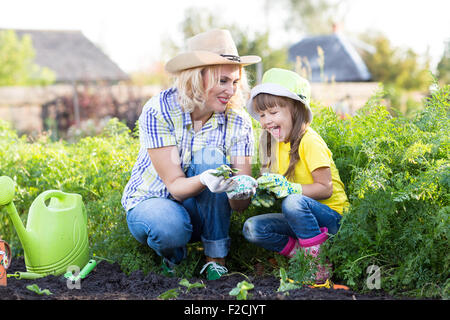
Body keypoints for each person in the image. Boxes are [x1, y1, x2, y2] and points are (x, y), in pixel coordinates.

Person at [121, 29, 260, 280]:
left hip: (201, 211)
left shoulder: (238, 121)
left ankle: (215, 260)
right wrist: (207, 179)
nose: (231, 91)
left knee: (212, 158)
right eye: (223, 81)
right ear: (198, 77)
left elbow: (239, 206)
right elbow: (174, 186)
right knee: (170, 227)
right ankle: (175, 259)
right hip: (153, 202)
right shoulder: (159, 110)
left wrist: (240, 190)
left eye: (235, 82)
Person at [242, 68, 349, 283]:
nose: (266, 121)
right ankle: (306, 256)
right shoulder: (271, 144)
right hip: (301, 219)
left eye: (273, 112)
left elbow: (325, 188)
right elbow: (279, 189)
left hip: (334, 218)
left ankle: (316, 268)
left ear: (295, 110)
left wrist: (291, 189)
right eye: (262, 115)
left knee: (292, 202)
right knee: (252, 229)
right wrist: (258, 190)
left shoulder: (310, 141)